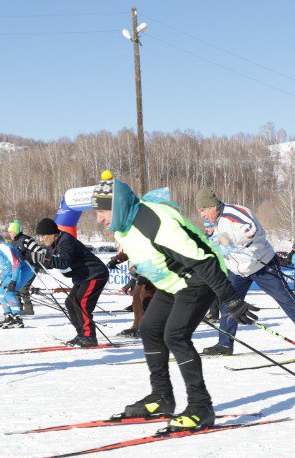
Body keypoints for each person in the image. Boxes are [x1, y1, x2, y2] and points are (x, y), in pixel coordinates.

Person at [91, 172, 255, 432]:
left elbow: (204, 260)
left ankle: (201, 407)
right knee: (149, 329)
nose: (99, 218)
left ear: (118, 205)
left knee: (175, 335)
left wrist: (230, 299)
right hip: (172, 282)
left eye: (102, 211)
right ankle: (162, 397)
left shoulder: (155, 222)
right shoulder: (124, 225)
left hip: (199, 277)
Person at [196, 188, 295, 357]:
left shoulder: (235, 212)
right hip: (238, 270)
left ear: (213, 206)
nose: (202, 215)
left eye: (203, 210)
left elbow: (251, 229)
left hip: (262, 265)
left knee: (285, 299)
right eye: (200, 212)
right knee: (228, 303)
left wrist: (229, 240)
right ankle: (224, 344)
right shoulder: (214, 223)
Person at [33, 216, 109, 346]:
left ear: (52, 234)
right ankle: (82, 334)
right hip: (83, 277)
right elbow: (54, 264)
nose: (41, 239)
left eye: (43, 236)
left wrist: (43, 259)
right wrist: (33, 259)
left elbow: (63, 262)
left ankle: (89, 336)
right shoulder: (53, 245)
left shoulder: (66, 241)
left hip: (95, 274)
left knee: (81, 303)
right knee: (70, 303)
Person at [0, 231, 34, 328]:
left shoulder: (2, 247)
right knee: (1, 291)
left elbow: (16, 264)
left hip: (23, 270)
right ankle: (9, 316)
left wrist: (13, 282)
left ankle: (17, 319)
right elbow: (6, 268)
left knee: (9, 292)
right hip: (12, 272)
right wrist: (2, 281)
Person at [109, 250, 155, 337]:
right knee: (136, 296)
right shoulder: (135, 238)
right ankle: (136, 326)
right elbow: (130, 248)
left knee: (145, 295)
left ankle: (146, 327)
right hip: (143, 270)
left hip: (156, 269)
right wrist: (117, 259)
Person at [7, 220, 37, 314]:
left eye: (10, 232)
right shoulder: (13, 242)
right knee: (15, 286)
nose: (9, 234)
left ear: (16, 231)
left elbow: (37, 251)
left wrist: (26, 254)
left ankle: (29, 308)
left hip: (30, 268)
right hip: (20, 269)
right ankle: (18, 307)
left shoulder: (26, 239)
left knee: (23, 287)